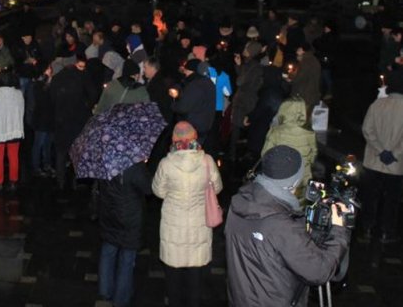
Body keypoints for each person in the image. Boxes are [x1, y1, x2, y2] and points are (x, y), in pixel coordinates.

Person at [225, 145, 350, 307]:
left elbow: (270, 247)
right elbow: (319, 272)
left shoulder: (239, 203)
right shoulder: (281, 225)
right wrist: (339, 230)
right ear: (295, 181)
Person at [152, 122, 222, 307]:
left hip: (173, 226)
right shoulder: (207, 161)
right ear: (194, 137)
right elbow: (218, 187)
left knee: (173, 277)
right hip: (199, 225)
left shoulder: (166, 163)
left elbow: (158, 191)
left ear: (174, 139)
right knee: (195, 277)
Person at [97, 161, 152, 307]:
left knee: (108, 250)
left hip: (109, 212)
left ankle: (105, 289)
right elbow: (148, 188)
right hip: (130, 216)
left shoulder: (103, 161)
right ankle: (121, 298)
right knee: (127, 258)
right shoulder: (134, 165)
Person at [359, 69, 403, 244]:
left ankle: (367, 229)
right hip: (396, 164)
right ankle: (386, 232)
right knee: (391, 200)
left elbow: (366, 129)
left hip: (373, 161)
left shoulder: (377, 104)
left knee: (370, 196)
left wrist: (380, 150)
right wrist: (394, 153)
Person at [50, 54, 98, 189]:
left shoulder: (57, 78)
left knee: (61, 152)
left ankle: (60, 181)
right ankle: (77, 181)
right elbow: (93, 93)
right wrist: (87, 105)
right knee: (77, 152)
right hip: (78, 120)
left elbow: (52, 99)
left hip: (61, 120)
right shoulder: (82, 76)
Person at [261, 98, 317, 194]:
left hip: (280, 178)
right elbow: (313, 155)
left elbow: (265, 154)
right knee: (300, 203)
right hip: (303, 177)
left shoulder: (276, 132)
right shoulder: (309, 134)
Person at [0, 71, 25, 191]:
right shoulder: (18, 94)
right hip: (15, 129)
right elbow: (22, 112)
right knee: (14, 157)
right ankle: (13, 181)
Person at [170, 59, 216, 144]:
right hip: (205, 124)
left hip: (194, 127)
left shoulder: (195, 86)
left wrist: (173, 104)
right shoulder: (208, 82)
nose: (184, 73)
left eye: (186, 70)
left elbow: (183, 107)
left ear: (190, 70)